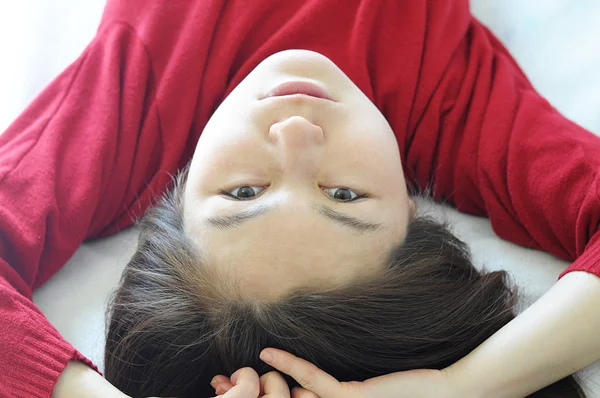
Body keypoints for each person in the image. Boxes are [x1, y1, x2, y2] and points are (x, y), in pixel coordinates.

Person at [0, 0, 599, 397]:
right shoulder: (440, 93)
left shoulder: (140, 94)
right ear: (411, 212)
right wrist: (463, 386)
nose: (295, 132)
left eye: (243, 191)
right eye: (344, 194)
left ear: (173, 203)